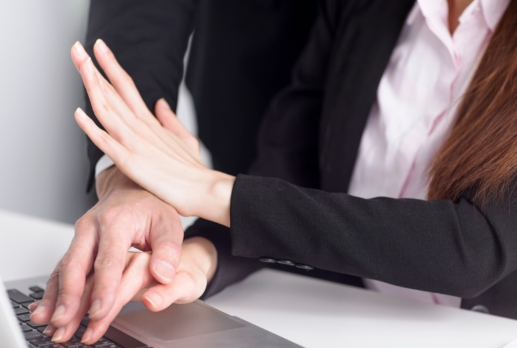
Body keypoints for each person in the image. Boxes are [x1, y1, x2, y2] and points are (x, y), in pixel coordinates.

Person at [33, 0, 517, 344]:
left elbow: (470, 248)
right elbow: (296, 161)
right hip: (338, 315)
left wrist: (206, 188)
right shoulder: (367, 10)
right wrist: (202, 257)